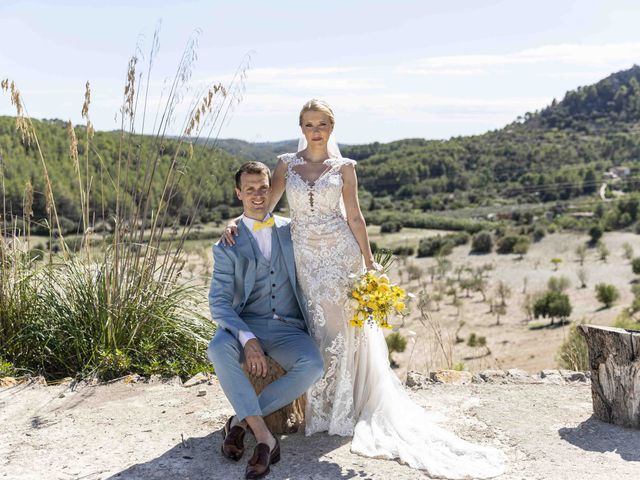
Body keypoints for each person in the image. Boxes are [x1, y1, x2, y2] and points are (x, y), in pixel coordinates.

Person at [221, 100, 506, 479]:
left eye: (322, 123)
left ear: (332, 127)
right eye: (309, 124)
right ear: (301, 127)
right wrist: (234, 223)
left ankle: (345, 408)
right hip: (304, 258)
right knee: (318, 331)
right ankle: (316, 408)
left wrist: (369, 261)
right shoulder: (286, 164)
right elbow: (265, 205)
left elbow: (354, 215)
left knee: (343, 332)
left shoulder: (345, 168)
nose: (315, 130)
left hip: (341, 256)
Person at [208, 161, 324, 479]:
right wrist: (247, 338)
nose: (257, 195)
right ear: (238, 194)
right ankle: (264, 438)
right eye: (250, 190)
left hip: (287, 326)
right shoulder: (227, 245)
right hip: (247, 323)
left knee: (313, 365)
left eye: (263, 188)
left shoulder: (292, 229)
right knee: (218, 349)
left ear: (270, 188)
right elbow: (218, 304)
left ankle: (239, 422)